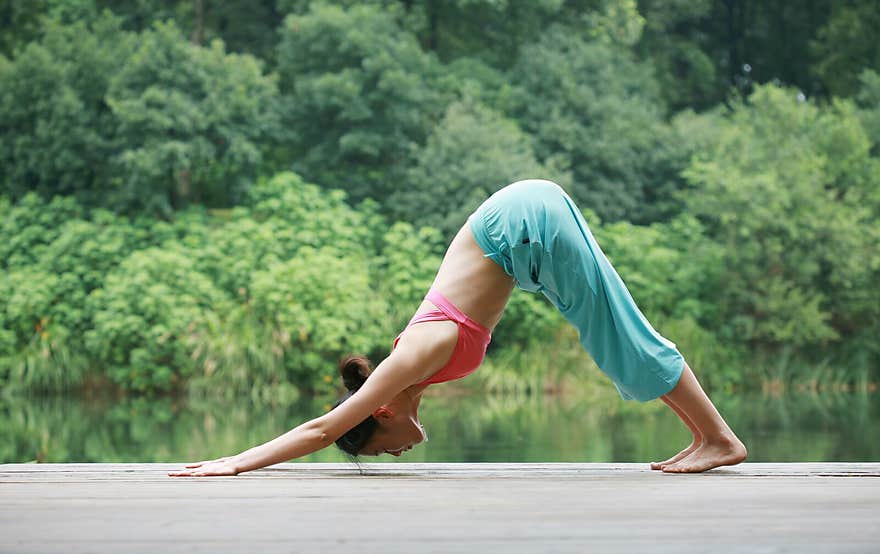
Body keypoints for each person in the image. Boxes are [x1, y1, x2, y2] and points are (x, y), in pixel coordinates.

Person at [168, 179, 746, 478]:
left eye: (383, 452)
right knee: (613, 332)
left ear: (384, 414)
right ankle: (705, 438)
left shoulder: (413, 359)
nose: (398, 456)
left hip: (524, 224)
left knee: (618, 333)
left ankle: (719, 440)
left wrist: (236, 461)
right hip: (523, 234)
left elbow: (322, 430)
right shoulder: (416, 373)